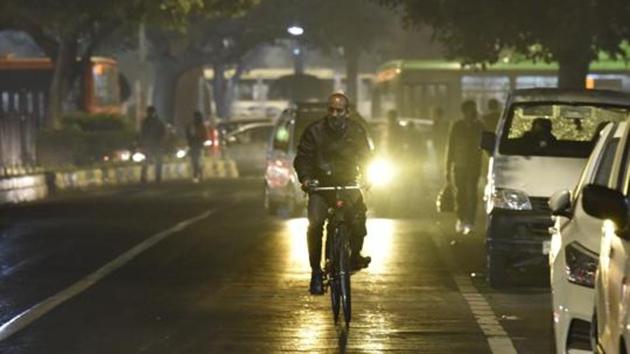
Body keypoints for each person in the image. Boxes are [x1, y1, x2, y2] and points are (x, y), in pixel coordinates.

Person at [294, 92, 373, 295]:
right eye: (331, 110)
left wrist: (367, 176)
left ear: (347, 112)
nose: (334, 114)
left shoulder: (356, 132)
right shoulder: (314, 132)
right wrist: (306, 179)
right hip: (321, 187)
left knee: (358, 218)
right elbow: (303, 158)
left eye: (339, 110)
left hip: (348, 185)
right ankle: (315, 273)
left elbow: (366, 157)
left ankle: (355, 254)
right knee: (316, 223)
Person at [445, 100, 485, 235]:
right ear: (465, 111)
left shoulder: (480, 126)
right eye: (471, 110)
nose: (474, 112)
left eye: (475, 109)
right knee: (461, 193)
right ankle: (461, 218)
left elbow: (485, 147)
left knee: (472, 193)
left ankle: (470, 221)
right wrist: (447, 167)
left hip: (474, 165)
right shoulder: (457, 126)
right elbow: (450, 147)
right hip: (460, 165)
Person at [139, 106, 166, 183]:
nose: (150, 114)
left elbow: (163, 132)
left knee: (157, 161)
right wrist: (142, 143)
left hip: (156, 144)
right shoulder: (145, 122)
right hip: (149, 144)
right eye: (149, 112)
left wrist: (161, 141)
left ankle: (158, 176)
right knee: (146, 161)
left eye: (151, 112)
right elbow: (142, 133)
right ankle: (144, 177)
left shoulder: (158, 122)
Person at [186, 111, 208, 183]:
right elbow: (188, 135)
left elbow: (205, 136)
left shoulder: (201, 126)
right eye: (194, 117)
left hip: (199, 146)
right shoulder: (191, 125)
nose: (195, 118)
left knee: (199, 162)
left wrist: (200, 139)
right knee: (194, 162)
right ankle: (197, 175)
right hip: (193, 146)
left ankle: (198, 175)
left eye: (196, 116)